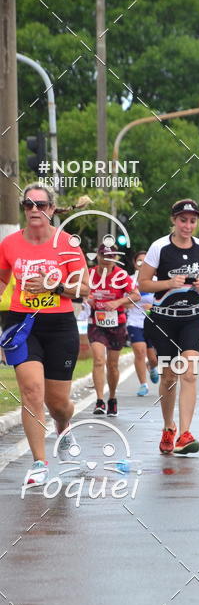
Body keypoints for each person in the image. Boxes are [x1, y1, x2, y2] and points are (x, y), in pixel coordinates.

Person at [0, 183, 89, 486]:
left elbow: (85, 289)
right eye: (29, 205)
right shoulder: (9, 244)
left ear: (52, 209)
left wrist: (54, 286)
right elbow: (2, 279)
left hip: (59, 326)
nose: (34, 210)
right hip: (22, 324)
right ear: (23, 209)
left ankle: (63, 425)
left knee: (58, 403)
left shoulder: (67, 244)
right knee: (31, 391)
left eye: (41, 204)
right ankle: (39, 463)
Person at [138, 198, 199, 455]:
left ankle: (185, 434)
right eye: (183, 220)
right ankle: (168, 427)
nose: (188, 225)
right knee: (169, 377)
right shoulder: (159, 247)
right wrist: (168, 284)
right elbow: (143, 284)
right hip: (164, 320)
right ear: (174, 220)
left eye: (193, 221)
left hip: (193, 318)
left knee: (189, 373)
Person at [88, 243, 139, 416]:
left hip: (117, 322)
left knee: (112, 364)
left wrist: (118, 302)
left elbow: (136, 295)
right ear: (98, 256)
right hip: (96, 322)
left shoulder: (121, 275)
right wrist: (87, 297)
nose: (106, 260)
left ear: (116, 258)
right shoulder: (90, 273)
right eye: (103, 255)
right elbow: (80, 290)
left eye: (111, 256)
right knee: (98, 360)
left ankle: (112, 398)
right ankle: (99, 401)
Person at [127, 250, 159, 395]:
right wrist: (128, 304)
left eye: (146, 261)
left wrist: (152, 307)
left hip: (152, 323)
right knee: (139, 352)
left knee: (153, 358)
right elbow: (121, 300)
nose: (142, 264)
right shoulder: (128, 280)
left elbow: (163, 302)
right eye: (139, 261)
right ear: (135, 264)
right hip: (134, 322)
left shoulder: (157, 281)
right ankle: (143, 385)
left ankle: (151, 366)